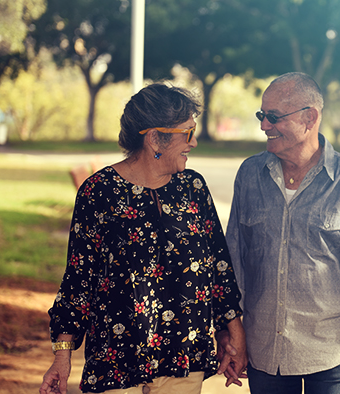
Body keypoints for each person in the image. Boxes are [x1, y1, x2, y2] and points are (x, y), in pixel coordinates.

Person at [39, 83, 246, 394]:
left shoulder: (193, 188)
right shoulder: (99, 192)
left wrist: (233, 334)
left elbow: (218, 267)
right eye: (187, 133)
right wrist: (62, 357)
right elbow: (79, 280)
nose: (195, 142)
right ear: (154, 138)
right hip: (118, 367)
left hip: (183, 367)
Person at [225, 72, 340, 394]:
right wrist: (229, 334)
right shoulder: (249, 175)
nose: (264, 125)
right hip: (264, 352)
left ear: (310, 118)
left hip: (330, 356)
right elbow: (233, 264)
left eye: (274, 117)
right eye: (262, 116)